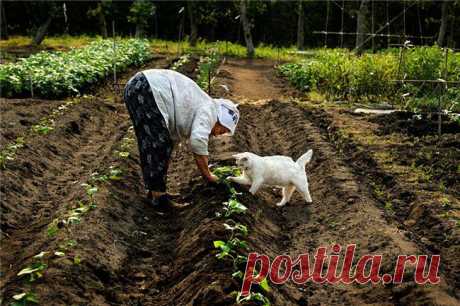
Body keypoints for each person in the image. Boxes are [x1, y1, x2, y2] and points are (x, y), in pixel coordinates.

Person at [123, 69, 239, 210]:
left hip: (138, 87)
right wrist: (208, 176)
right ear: (221, 120)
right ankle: (159, 197)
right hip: (147, 88)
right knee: (158, 143)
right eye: (223, 130)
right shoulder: (210, 111)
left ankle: (155, 192)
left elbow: (169, 145)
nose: (218, 134)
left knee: (154, 144)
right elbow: (197, 141)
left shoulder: (205, 106)